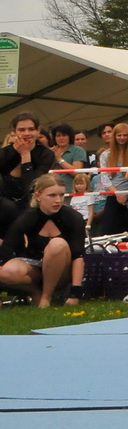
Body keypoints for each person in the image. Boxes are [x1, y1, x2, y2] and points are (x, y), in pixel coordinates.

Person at [0, 174, 86, 307]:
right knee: (5, 271)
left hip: (63, 270)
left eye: (61, 195)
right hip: (35, 267)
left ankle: (46, 297)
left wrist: (75, 294)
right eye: (52, 195)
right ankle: (35, 293)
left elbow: (78, 257)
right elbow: (6, 250)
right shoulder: (28, 217)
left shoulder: (73, 217)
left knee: (57, 244)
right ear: (38, 195)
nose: (58, 200)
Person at [0, 112, 58, 233]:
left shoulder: (46, 154)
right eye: (21, 130)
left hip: (31, 204)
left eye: (31, 129)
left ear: (38, 131)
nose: (27, 133)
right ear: (14, 131)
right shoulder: (4, 153)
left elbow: (31, 187)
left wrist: (25, 156)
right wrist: (17, 151)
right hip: (4, 206)